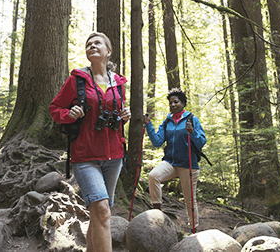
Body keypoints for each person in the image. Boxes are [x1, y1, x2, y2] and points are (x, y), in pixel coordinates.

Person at [50, 32, 130, 252]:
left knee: (99, 212)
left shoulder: (119, 83)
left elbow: (117, 111)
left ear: (108, 51)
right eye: (88, 44)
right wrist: (70, 114)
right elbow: (55, 109)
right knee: (103, 210)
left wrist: (125, 114)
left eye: (97, 43)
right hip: (85, 156)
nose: (92, 46)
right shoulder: (76, 80)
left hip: (114, 156)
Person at [143, 87, 206, 232]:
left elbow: (201, 142)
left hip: (188, 164)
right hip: (170, 162)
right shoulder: (167, 122)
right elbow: (157, 142)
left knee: (190, 200)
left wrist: (192, 132)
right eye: (171, 102)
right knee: (153, 176)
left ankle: (193, 230)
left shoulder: (192, 119)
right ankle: (158, 213)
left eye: (176, 102)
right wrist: (148, 124)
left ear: (183, 103)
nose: (173, 105)